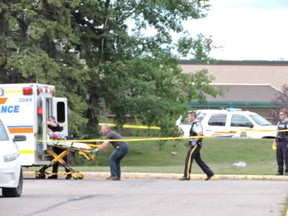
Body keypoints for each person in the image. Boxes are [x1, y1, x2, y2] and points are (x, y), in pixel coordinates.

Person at [179, 111, 214, 181]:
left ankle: (186, 176)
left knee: (188, 158)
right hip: (195, 144)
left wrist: (195, 141)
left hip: (195, 145)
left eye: (189, 117)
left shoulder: (196, 124)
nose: (188, 118)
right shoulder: (194, 124)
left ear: (193, 116)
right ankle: (209, 173)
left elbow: (200, 133)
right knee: (198, 160)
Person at [275, 108, 288, 176]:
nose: (280, 116)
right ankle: (280, 171)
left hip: (285, 142)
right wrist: (275, 141)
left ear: (286, 115)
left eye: (282, 115)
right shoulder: (279, 123)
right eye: (280, 115)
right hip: (279, 141)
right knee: (279, 157)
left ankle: (287, 171)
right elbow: (277, 132)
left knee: (286, 157)